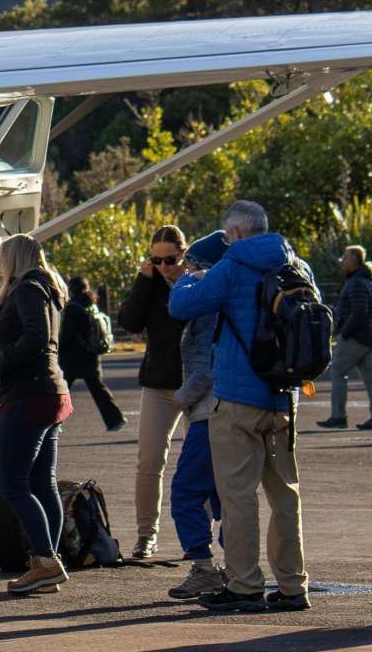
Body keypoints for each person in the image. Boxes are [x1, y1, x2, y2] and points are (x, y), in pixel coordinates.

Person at [168, 200, 311, 613]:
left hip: (237, 397)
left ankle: (246, 584)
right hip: (284, 397)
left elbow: (182, 306)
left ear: (233, 234)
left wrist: (190, 278)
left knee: (238, 496)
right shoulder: (298, 266)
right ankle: (292, 586)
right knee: (286, 496)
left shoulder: (230, 268)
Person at [0, 233, 74, 595]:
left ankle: (44, 561)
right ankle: (47, 562)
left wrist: (0, 359)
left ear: (15, 259)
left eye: (0, 257)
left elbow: (36, 337)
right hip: (49, 393)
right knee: (42, 482)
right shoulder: (47, 289)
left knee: (11, 483)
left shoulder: (27, 289)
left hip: (28, 395)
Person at [117, 224, 188, 560]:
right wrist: (143, 281)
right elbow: (129, 322)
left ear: (184, 253)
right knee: (149, 461)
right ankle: (146, 535)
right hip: (160, 382)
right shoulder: (151, 283)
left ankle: (198, 539)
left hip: (198, 383)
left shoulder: (201, 279)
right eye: (155, 260)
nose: (163, 267)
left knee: (200, 462)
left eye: (169, 260)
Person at [166, 230, 227, 600]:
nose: (185, 271)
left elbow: (205, 368)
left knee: (187, 490)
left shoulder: (206, 306)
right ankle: (236, 565)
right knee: (228, 495)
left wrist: (181, 398)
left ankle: (204, 566)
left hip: (208, 412)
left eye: (191, 264)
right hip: (232, 409)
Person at [320, 246, 372, 430]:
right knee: (370, 377)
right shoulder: (368, 280)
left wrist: (343, 332)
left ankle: (338, 415)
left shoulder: (356, 283)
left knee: (339, 371)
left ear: (355, 260)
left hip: (356, 336)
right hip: (370, 336)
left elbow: (359, 312)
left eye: (346, 257)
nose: (342, 261)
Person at [59, 276, 127, 431]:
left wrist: (58, 348)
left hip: (72, 358)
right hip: (91, 355)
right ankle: (115, 419)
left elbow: (67, 335)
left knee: (61, 391)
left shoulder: (72, 308)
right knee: (98, 390)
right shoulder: (91, 304)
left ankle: (54, 422)